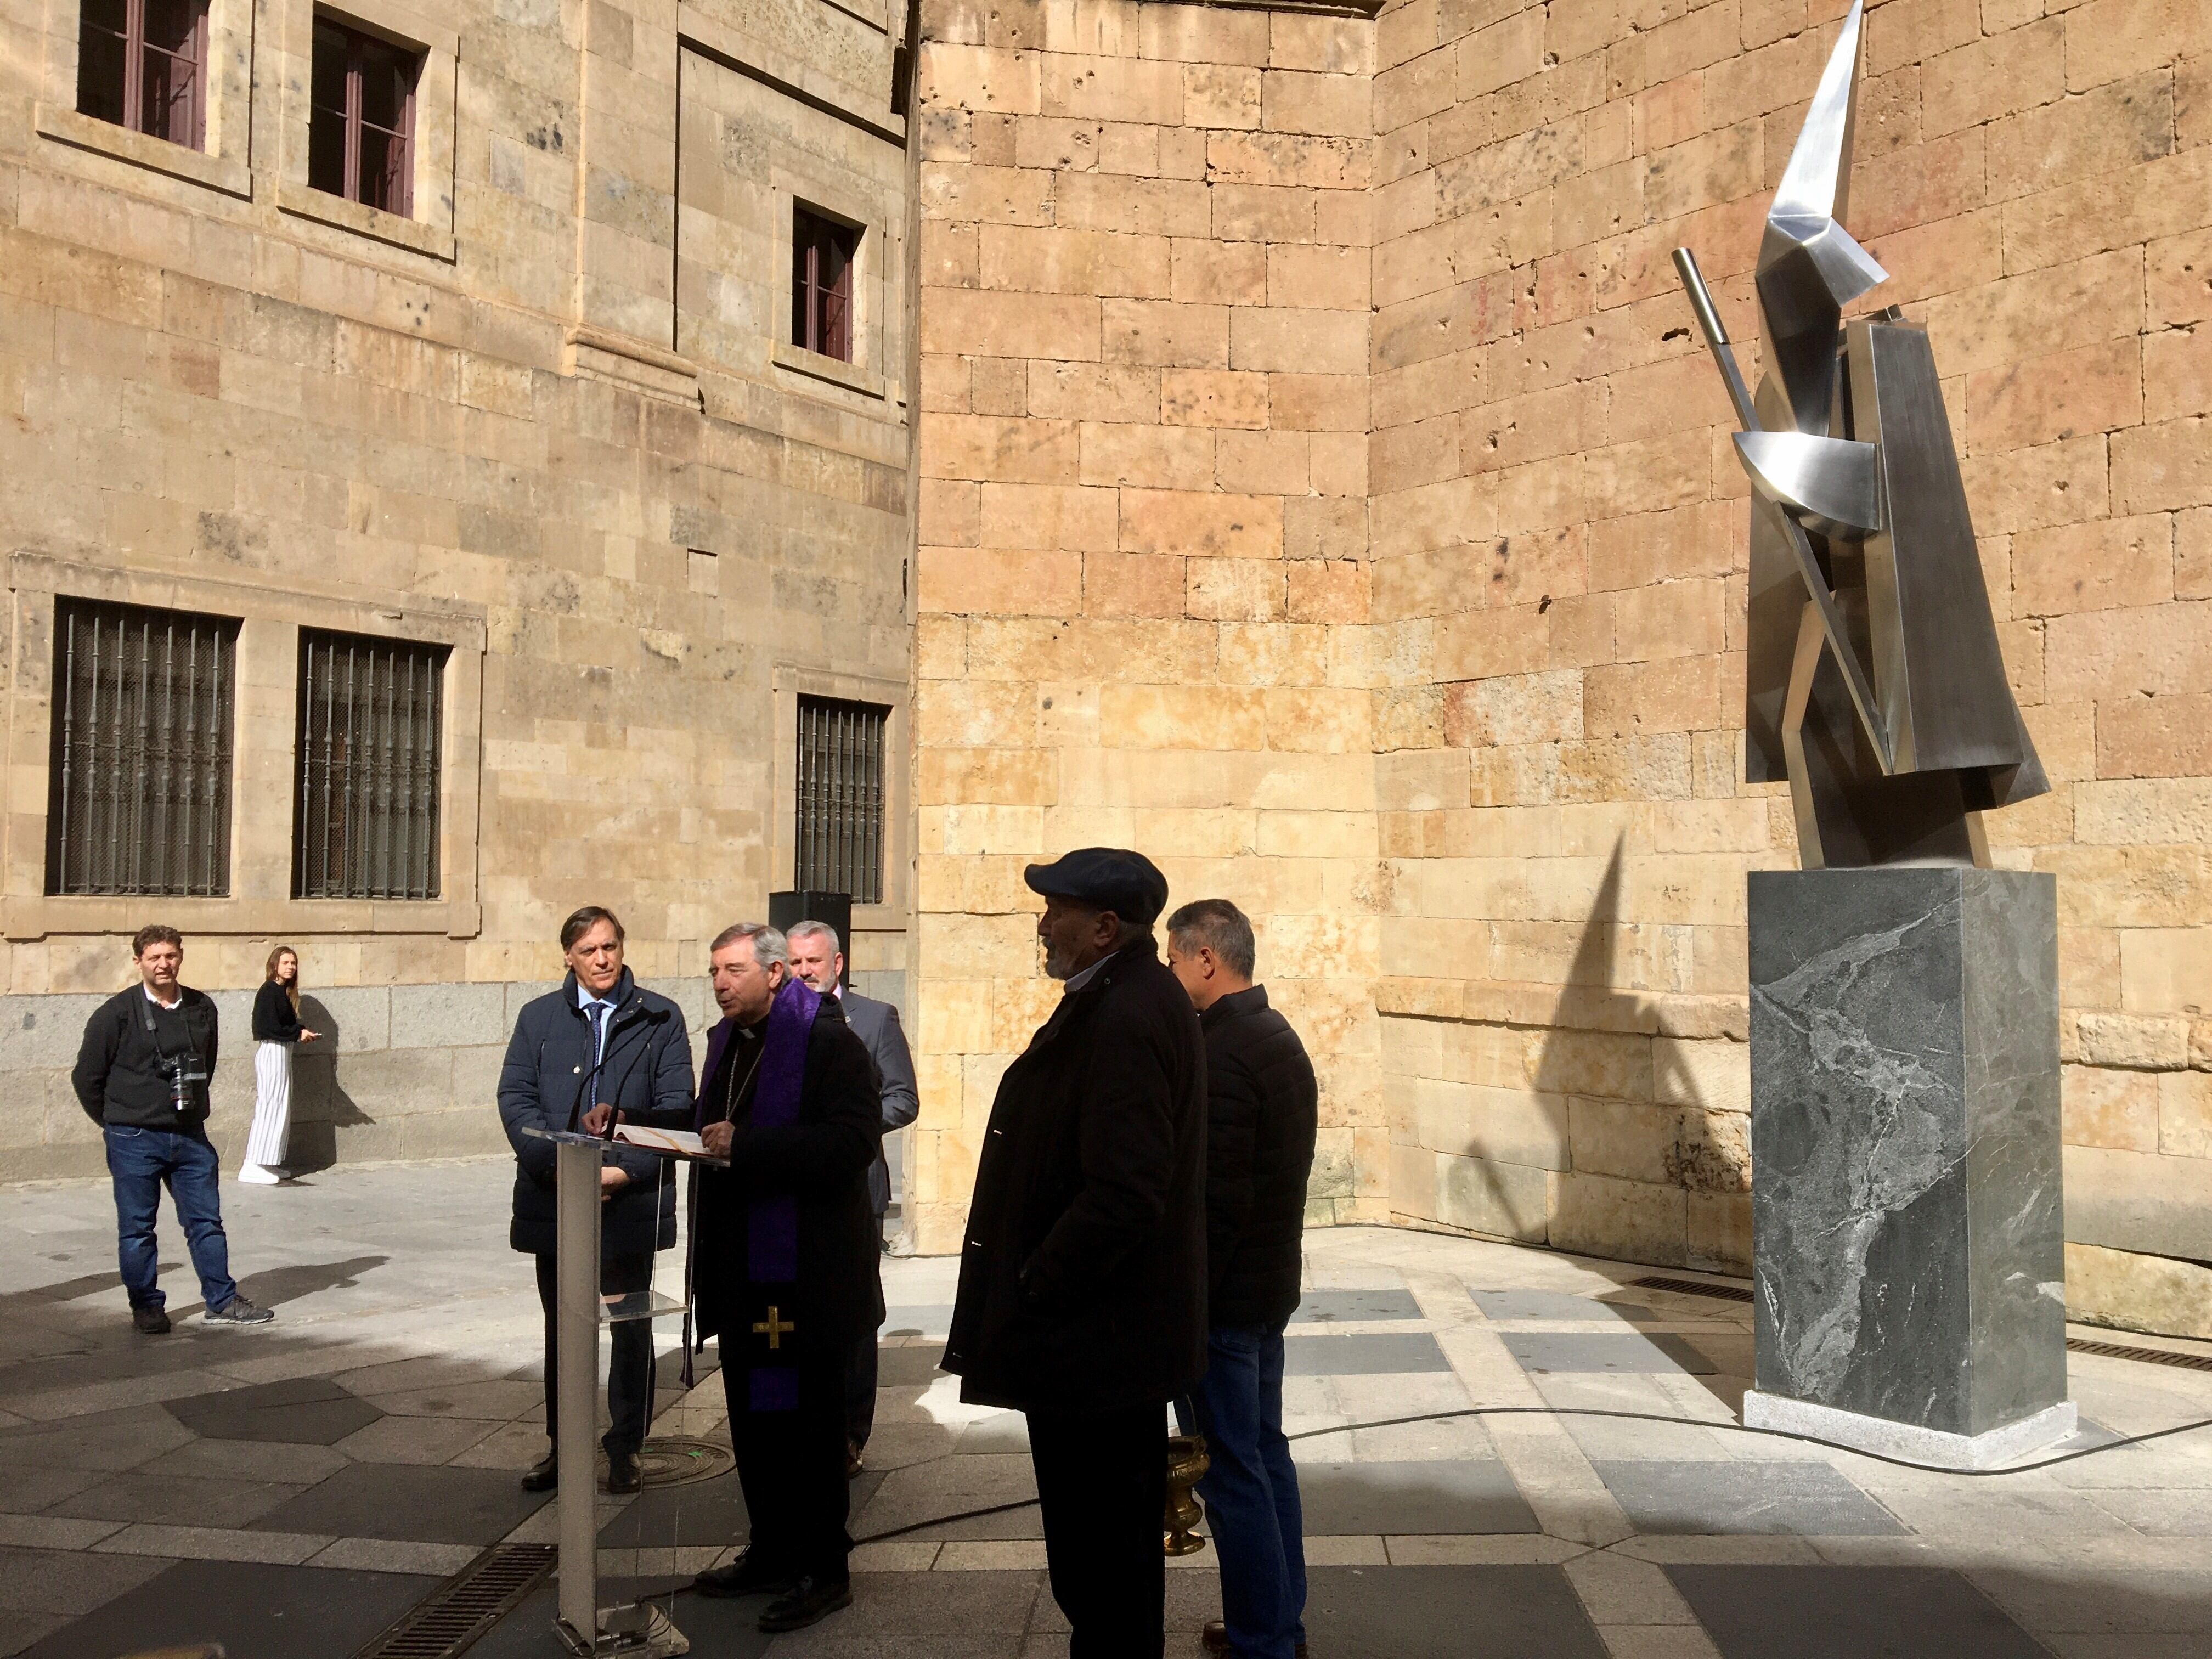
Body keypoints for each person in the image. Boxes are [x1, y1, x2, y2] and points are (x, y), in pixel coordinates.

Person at [943, 849, 1206, 1659]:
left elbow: (1126, 1191)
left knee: (1105, 1564)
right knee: (1102, 1564)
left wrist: (1039, 1280)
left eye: (1056, 909)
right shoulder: (1117, 998)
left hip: (1097, 1344)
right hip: (1100, 1344)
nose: (1041, 923)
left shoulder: (1126, 1014)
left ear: (1103, 928)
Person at [601, 923, 879, 1635]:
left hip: (807, 1280)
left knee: (809, 1430)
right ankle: (772, 1550)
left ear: (777, 973)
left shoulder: (828, 1043)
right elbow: (704, 1127)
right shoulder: (728, 1044)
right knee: (757, 1425)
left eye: (732, 971)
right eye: (714, 972)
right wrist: (626, 1123)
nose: (720, 983)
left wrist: (751, 1145)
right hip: (746, 1275)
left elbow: (851, 1146)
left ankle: (826, 1569)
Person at [1165, 899, 1318, 1659]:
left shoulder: (1225, 1052)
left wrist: (1187, 1306)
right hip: (1266, 1292)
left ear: (1205, 959)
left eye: (1172, 960)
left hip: (1226, 1304)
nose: (1168, 973)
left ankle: (1265, 1638)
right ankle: (1275, 1619)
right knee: (1264, 1455)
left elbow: (1216, 1204)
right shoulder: (1275, 1033)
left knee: (1232, 1475)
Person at [497, 906, 694, 1496]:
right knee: (564, 1328)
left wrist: (623, 1172)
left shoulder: (661, 1018)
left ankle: (626, 1448)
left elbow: (677, 1105)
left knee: (629, 1329)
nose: (603, 959)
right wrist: (553, 1164)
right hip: (556, 1200)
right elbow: (515, 1096)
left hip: (626, 1206)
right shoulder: (538, 1019)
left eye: (611, 947)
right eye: (590, 951)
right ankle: (565, 1447)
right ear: (568, 957)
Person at [72, 924, 274, 1333]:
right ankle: (146, 1306)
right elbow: (86, 1078)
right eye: (154, 958)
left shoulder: (202, 1008)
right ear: (139, 962)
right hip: (133, 1137)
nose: (163, 965)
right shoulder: (115, 1014)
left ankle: (221, 1300)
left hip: (189, 1136)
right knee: (137, 1230)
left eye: (170, 956)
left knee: (206, 1223)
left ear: (181, 957)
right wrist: (117, 1122)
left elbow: (207, 1063)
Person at [785, 918, 921, 1477]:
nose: (803, 973)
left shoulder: (874, 1019)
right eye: (794, 964)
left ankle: (849, 1433)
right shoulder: (776, 1023)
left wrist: (847, 1130)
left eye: (813, 962)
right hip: (792, 1192)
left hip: (855, 1188)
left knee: (854, 1315)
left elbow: (903, 1099)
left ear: (837, 964)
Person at [239, 945, 321, 1184]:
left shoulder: (280, 992)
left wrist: (299, 1032)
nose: (291, 967)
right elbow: (266, 1028)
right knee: (270, 1106)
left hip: (281, 1051)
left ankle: (267, 1161)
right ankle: (252, 1163)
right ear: (275, 964)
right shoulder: (269, 991)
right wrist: (298, 1033)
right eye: (286, 962)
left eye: (293, 963)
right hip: (273, 1051)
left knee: (279, 1107)